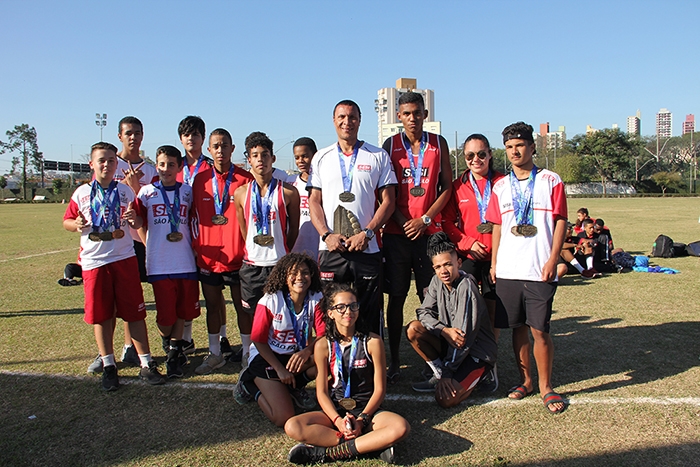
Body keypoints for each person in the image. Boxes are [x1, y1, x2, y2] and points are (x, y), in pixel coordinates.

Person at [63, 142, 165, 391]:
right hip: (94, 262)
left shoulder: (125, 192)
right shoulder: (81, 193)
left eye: (111, 160)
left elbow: (140, 218)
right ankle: (109, 365)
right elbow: (66, 221)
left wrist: (135, 219)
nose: (107, 164)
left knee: (135, 312)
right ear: (92, 164)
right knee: (101, 315)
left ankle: (146, 363)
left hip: (124, 257)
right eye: (102, 160)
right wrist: (75, 224)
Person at [486, 122, 567, 414]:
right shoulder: (500, 186)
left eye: (520, 145)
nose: (514, 151)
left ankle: (547, 387)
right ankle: (526, 381)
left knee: (540, 330)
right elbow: (497, 227)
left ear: (532, 147)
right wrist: (495, 263)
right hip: (508, 270)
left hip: (538, 269)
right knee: (516, 329)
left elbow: (561, 221)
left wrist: (553, 259)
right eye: (509, 147)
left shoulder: (551, 180)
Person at [284, 283, 410, 465]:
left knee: (400, 427)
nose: (348, 311)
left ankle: (327, 453)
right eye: (340, 307)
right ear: (330, 313)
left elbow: (380, 390)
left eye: (353, 306)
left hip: (368, 412)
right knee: (292, 426)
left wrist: (362, 419)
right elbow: (321, 392)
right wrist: (337, 421)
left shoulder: (373, 341)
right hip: (336, 410)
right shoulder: (322, 345)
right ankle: (372, 445)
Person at [308, 100, 397, 335]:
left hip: (366, 249)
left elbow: (388, 201)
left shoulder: (377, 155)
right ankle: (332, 364)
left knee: (368, 310)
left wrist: (367, 233)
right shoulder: (321, 157)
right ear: (334, 120)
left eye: (352, 117)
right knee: (331, 309)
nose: (347, 122)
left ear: (360, 120)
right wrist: (326, 235)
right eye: (342, 117)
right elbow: (314, 201)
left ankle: (369, 368)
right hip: (331, 249)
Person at [381, 92, 452, 383]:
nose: (413, 118)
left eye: (417, 113)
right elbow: (386, 191)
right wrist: (402, 221)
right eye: (407, 113)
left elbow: (446, 188)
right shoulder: (390, 145)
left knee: (431, 299)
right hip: (398, 234)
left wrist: (423, 220)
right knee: (396, 298)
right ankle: (395, 360)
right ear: (399, 116)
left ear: (425, 114)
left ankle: (434, 357)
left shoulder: (439, 143)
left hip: (428, 234)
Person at [441, 133, 505, 391]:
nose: (476, 159)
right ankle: (462, 358)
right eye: (470, 155)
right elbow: (446, 222)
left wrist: (496, 257)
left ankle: (490, 364)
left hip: (498, 258)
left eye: (481, 154)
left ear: (490, 154)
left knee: (492, 314)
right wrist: (467, 242)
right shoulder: (458, 186)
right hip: (469, 255)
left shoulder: (503, 183)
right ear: (463, 158)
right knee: (463, 310)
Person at [234, 253, 325, 426]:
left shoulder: (316, 298)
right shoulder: (270, 300)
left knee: (326, 360)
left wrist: (306, 351)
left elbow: (323, 335)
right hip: (268, 357)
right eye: (294, 273)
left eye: (305, 272)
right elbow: (259, 341)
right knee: (283, 417)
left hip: (295, 356)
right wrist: (279, 369)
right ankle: (249, 384)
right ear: (284, 277)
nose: (300, 277)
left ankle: (296, 387)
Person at [234, 131, 300, 367]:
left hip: (278, 265)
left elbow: (293, 230)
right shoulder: (240, 193)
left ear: (273, 159)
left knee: (282, 318)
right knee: (254, 318)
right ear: (249, 160)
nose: (260, 159)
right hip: (252, 267)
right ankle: (254, 361)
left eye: (265, 155)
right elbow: (244, 231)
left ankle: (282, 361)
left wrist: (281, 253)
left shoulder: (289, 192)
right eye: (255, 155)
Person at [405, 232, 497, 403]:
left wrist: (449, 374)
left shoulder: (467, 287)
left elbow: (463, 338)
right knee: (414, 329)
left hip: (476, 351)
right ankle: (440, 372)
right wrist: (443, 330)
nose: (443, 271)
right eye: (438, 267)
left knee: (445, 399)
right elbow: (423, 312)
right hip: (452, 344)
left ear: (458, 263)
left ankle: (483, 373)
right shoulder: (436, 281)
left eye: (448, 264)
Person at [191, 129, 253, 375]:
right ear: (209, 150)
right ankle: (215, 353)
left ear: (232, 148)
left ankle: (248, 354)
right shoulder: (199, 181)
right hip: (209, 257)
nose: (220, 150)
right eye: (215, 146)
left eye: (224, 145)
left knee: (243, 308)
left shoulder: (245, 179)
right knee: (213, 306)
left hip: (238, 257)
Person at [135, 145, 201, 378]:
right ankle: (167, 340)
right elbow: (138, 223)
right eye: (161, 164)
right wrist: (147, 244)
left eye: (171, 164)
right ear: (156, 165)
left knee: (182, 311)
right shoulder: (146, 193)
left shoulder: (187, 192)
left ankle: (174, 354)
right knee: (166, 316)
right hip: (160, 262)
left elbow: (194, 220)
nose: (166, 169)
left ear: (179, 167)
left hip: (185, 260)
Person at [176, 115, 213, 356]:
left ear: (203, 138)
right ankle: (186, 338)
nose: (191, 138)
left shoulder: (211, 166)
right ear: (181, 138)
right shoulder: (171, 165)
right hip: (178, 237)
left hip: (207, 236)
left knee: (212, 292)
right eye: (187, 134)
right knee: (186, 290)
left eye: (196, 134)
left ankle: (220, 338)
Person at [289, 137, 320, 258]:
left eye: (305, 156)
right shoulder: (290, 182)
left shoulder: (324, 182)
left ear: (315, 155)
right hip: (296, 248)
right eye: (297, 157)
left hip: (319, 248)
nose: (300, 161)